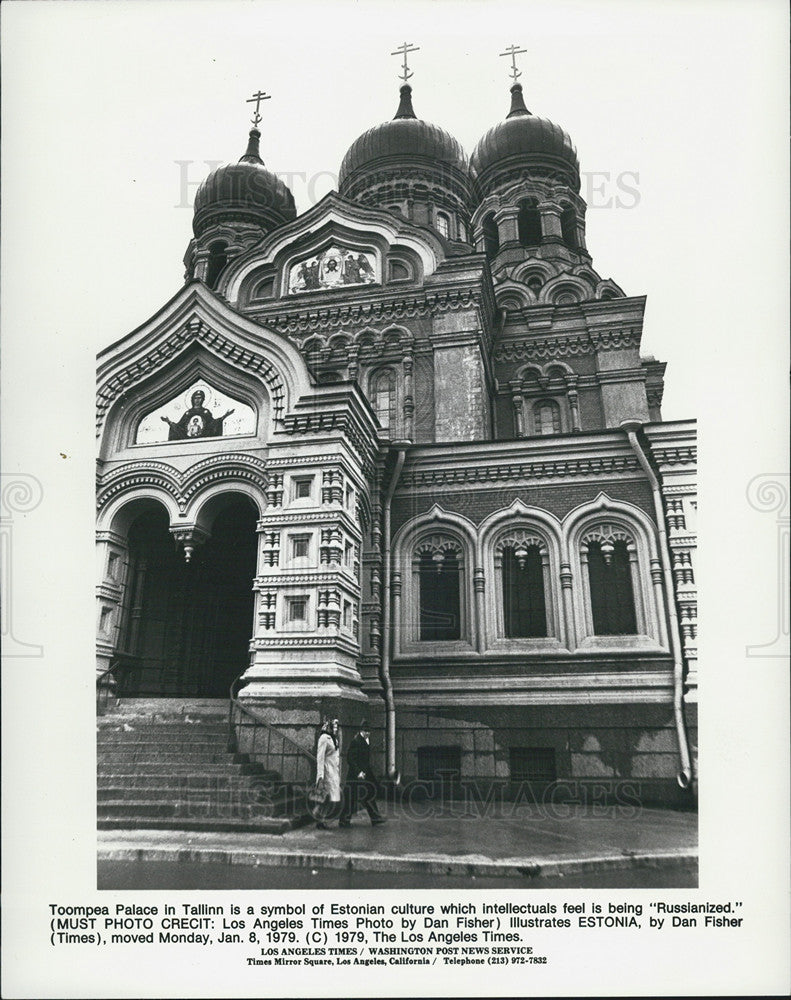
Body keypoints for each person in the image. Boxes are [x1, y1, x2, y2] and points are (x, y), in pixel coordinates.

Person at [339, 720, 386, 827]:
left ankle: (375, 818)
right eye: (365, 731)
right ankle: (343, 820)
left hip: (365, 774)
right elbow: (350, 759)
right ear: (361, 730)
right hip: (355, 776)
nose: (367, 733)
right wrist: (358, 772)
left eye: (369, 731)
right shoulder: (356, 741)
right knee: (351, 797)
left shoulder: (365, 740)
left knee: (369, 794)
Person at [160, 390, 234, 440]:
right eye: (195, 398)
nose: (197, 400)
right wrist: (168, 421)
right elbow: (179, 427)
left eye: (199, 398)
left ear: (203, 399)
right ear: (192, 399)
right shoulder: (188, 413)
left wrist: (225, 416)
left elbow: (212, 424)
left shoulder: (206, 412)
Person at [314, 718, 341, 829]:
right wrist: (320, 776)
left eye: (337, 727)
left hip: (333, 772)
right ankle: (319, 818)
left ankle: (320, 817)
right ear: (328, 726)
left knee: (331, 798)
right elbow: (320, 758)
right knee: (326, 797)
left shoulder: (334, 739)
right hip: (326, 772)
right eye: (334, 726)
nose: (336, 729)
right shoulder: (324, 738)